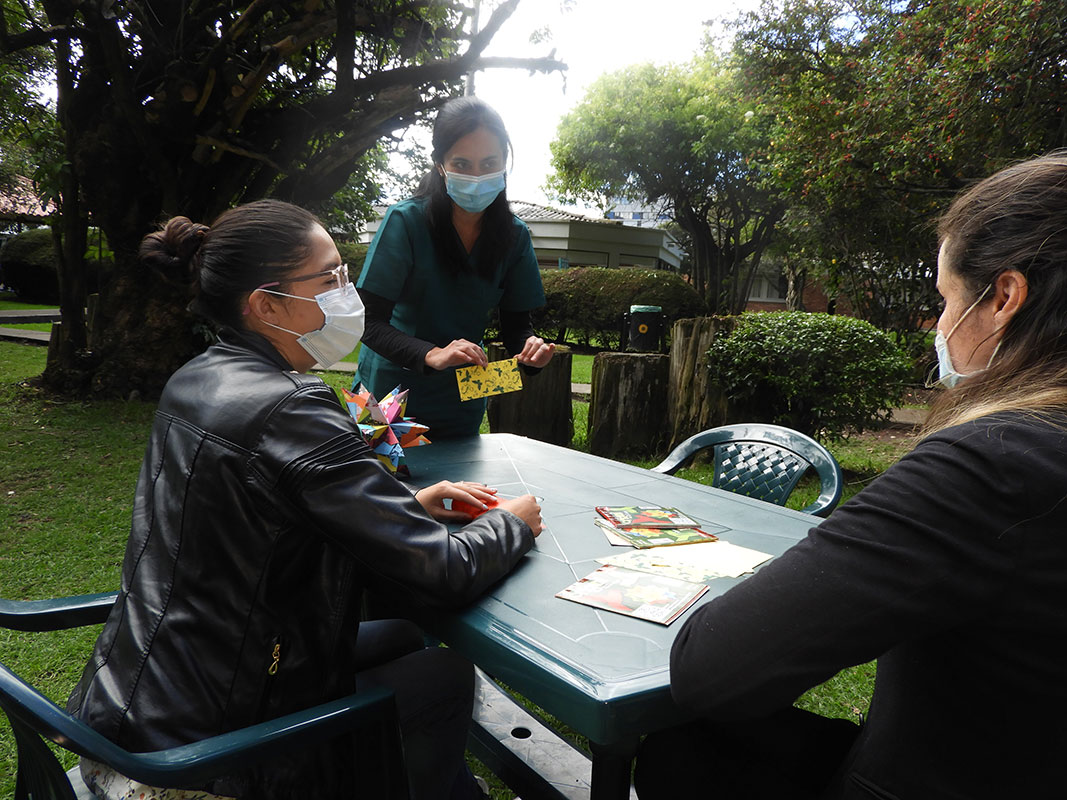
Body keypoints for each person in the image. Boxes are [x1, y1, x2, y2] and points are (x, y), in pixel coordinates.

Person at [66, 199, 545, 800]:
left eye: (346, 276)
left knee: (398, 635)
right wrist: (513, 525)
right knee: (441, 673)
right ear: (265, 304)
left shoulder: (198, 375)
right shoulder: (293, 406)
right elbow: (443, 570)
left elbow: (266, 511)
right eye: (330, 280)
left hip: (133, 707)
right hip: (195, 763)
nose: (350, 295)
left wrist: (410, 505)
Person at [633, 152, 1067, 799]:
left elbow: (712, 670)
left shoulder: (993, 464)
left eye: (945, 300)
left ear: (1002, 298)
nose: (940, 327)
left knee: (682, 751)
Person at [354, 96, 555, 438]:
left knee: (460, 487)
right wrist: (432, 354)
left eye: (489, 163)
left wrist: (531, 349)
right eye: (462, 164)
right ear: (440, 165)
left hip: (463, 399)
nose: (477, 176)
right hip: (387, 400)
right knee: (385, 488)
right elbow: (367, 321)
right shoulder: (405, 221)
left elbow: (517, 326)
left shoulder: (515, 235)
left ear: (504, 163)